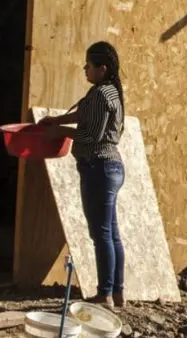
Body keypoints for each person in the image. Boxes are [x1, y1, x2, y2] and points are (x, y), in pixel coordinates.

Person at [40, 41, 126, 308]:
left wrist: (60, 132)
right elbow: (86, 116)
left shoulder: (101, 95)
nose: (84, 69)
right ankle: (117, 292)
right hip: (109, 167)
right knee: (111, 234)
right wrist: (57, 120)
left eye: (88, 65)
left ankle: (105, 294)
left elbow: (92, 135)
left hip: (98, 167)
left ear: (102, 68)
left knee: (101, 235)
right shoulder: (109, 92)